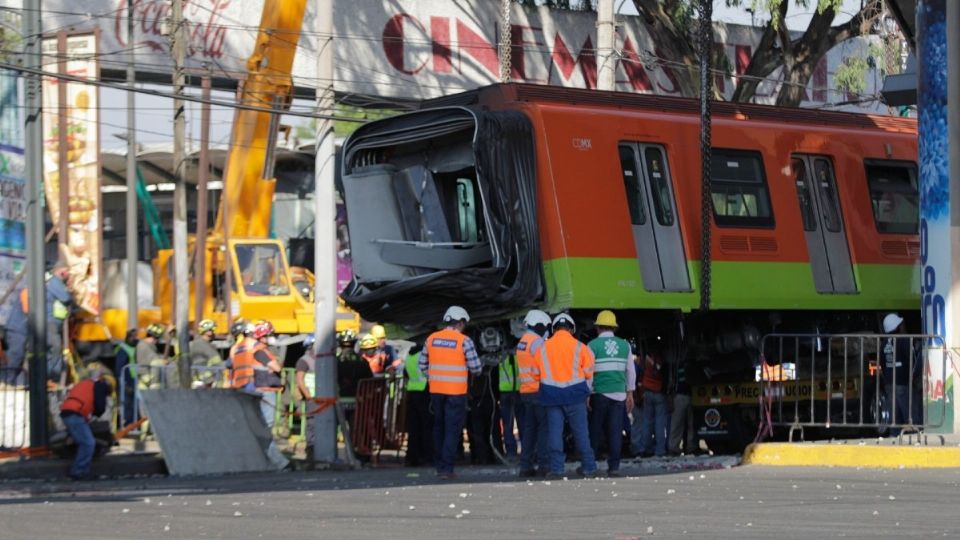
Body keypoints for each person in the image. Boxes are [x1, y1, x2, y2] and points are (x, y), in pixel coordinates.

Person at [419, 305, 482, 479]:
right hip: (456, 392)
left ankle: (440, 466)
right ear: (460, 323)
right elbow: (476, 368)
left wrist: (435, 377)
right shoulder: (464, 341)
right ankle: (447, 468)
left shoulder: (431, 339)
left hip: (436, 391)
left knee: (439, 428)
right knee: (452, 430)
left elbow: (422, 365)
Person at [537, 312, 597, 479]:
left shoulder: (542, 348)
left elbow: (536, 373)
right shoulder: (580, 347)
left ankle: (557, 469)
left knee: (555, 434)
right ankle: (589, 467)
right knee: (581, 434)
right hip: (576, 396)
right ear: (571, 329)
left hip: (551, 397)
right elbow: (589, 372)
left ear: (554, 329)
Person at [587, 310, 635, 477]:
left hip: (599, 394)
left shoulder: (592, 345)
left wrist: (587, 393)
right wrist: (630, 393)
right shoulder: (625, 345)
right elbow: (630, 371)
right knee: (615, 431)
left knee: (595, 430)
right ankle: (614, 467)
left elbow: (588, 372)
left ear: (598, 327)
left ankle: (590, 465)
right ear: (614, 328)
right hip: (619, 395)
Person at [5, 265, 73, 384]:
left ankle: (16, 383)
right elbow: (28, 310)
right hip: (19, 328)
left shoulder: (42, 288)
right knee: (17, 356)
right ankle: (7, 382)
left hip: (26, 328)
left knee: (24, 357)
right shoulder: (47, 284)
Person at [59, 370, 115, 480]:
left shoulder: (86, 383)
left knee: (81, 440)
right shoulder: (101, 385)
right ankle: (78, 471)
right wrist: (97, 413)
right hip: (75, 414)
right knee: (88, 443)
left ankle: (82, 469)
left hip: (67, 412)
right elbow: (99, 406)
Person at [516, 309, 551, 477]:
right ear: (538, 325)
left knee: (529, 430)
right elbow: (545, 367)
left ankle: (525, 466)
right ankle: (544, 465)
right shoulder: (537, 342)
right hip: (539, 391)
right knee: (544, 429)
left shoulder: (522, 341)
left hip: (526, 392)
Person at [881, 312, 922, 433]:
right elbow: (913, 361)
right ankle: (914, 439)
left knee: (894, 419)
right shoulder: (904, 340)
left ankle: (894, 440)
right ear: (897, 327)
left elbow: (882, 363)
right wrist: (914, 378)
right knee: (911, 416)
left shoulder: (884, 342)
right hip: (904, 383)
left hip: (890, 384)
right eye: (901, 324)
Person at [635, 344, 669, 458]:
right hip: (659, 394)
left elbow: (639, 375)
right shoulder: (662, 361)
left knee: (646, 422)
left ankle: (644, 448)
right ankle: (660, 450)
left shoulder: (644, 360)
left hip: (647, 393)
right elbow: (666, 377)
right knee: (660, 424)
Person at [403, 345, 433, 466]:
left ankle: (412, 456)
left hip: (412, 392)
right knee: (427, 426)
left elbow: (406, 373)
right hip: (424, 391)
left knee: (414, 427)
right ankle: (427, 456)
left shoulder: (410, 355)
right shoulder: (423, 355)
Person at [668, 357, 697, 456]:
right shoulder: (689, 365)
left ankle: (674, 447)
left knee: (677, 424)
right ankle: (690, 447)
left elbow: (671, 383)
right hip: (688, 395)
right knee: (690, 424)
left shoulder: (675, 365)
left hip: (680, 396)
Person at [113, 329, 138, 428]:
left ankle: (133, 423)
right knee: (128, 403)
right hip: (127, 380)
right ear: (127, 338)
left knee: (133, 403)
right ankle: (129, 424)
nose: (135, 339)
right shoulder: (123, 350)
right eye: (133, 337)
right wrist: (124, 383)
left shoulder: (134, 347)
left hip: (133, 378)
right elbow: (119, 368)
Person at [189, 319, 223, 387]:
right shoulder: (205, 346)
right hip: (207, 383)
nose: (214, 334)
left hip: (198, 382)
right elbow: (217, 363)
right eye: (212, 331)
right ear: (208, 332)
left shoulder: (195, 344)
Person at [136, 323, 169, 389]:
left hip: (145, 381)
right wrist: (164, 361)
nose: (158, 341)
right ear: (155, 337)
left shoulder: (146, 345)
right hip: (149, 381)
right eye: (158, 339)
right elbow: (155, 361)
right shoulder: (144, 346)